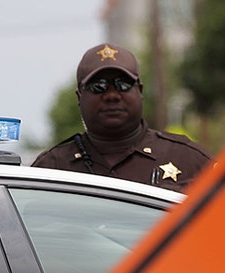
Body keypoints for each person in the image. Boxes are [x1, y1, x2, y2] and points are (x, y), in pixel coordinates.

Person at [32, 43, 212, 192]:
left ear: (139, 91)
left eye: (123, 84)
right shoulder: (51, 168)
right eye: (99, 86)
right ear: (80, 97)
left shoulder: (190, 160)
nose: (112, 95)